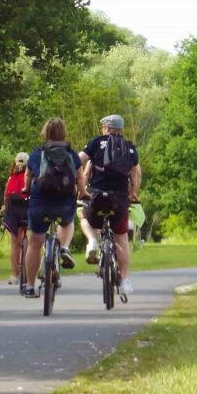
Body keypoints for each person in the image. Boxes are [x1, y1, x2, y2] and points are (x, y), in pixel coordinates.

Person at [77, 114, 141, 295]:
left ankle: (92, 242)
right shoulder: (129, 147)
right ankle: (124, 280)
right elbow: (135, 174)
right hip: (119, 199)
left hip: (96, 197)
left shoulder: (97, 142)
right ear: (121, 130)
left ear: (106, 128)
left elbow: (78, 161)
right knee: (121, 238)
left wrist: (79, 187)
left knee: (86, 218)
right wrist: (132, 193)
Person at [21, 117, 80, 298]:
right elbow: (80, 177)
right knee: (68, 222)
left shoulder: (37, 153)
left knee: (35, 243)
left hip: (40, 202)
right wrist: (83, 192)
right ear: (64, 133)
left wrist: (26, 189)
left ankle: (30, 286)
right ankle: (63, 248)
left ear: (45, 133)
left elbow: (28, 176)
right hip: (64, 202)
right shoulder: (71, 153)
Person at [3, 152, 30, 286]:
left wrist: (5, 208)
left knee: (14, 242)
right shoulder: (31, 177)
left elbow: (6, 197)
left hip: (13, 210)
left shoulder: (11, 178)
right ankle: (29, 271)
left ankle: (15, 275)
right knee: (28, 238)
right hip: (27, 208)